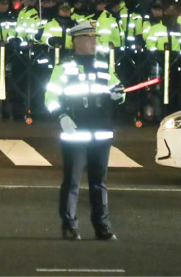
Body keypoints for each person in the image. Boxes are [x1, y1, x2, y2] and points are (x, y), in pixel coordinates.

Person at [44, 20, 124, 242]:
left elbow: (118, 88)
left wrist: (119, 94)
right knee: (72, 181)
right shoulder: (63, 68)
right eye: (89, 38)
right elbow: (50, 98)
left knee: (99, 183)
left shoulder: (104, 66)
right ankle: (69, 225)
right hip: (75, 132)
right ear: (76, 41)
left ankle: (102, 226)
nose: (94, 42)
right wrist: (62, 116)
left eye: (95, 38)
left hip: (100, 132)